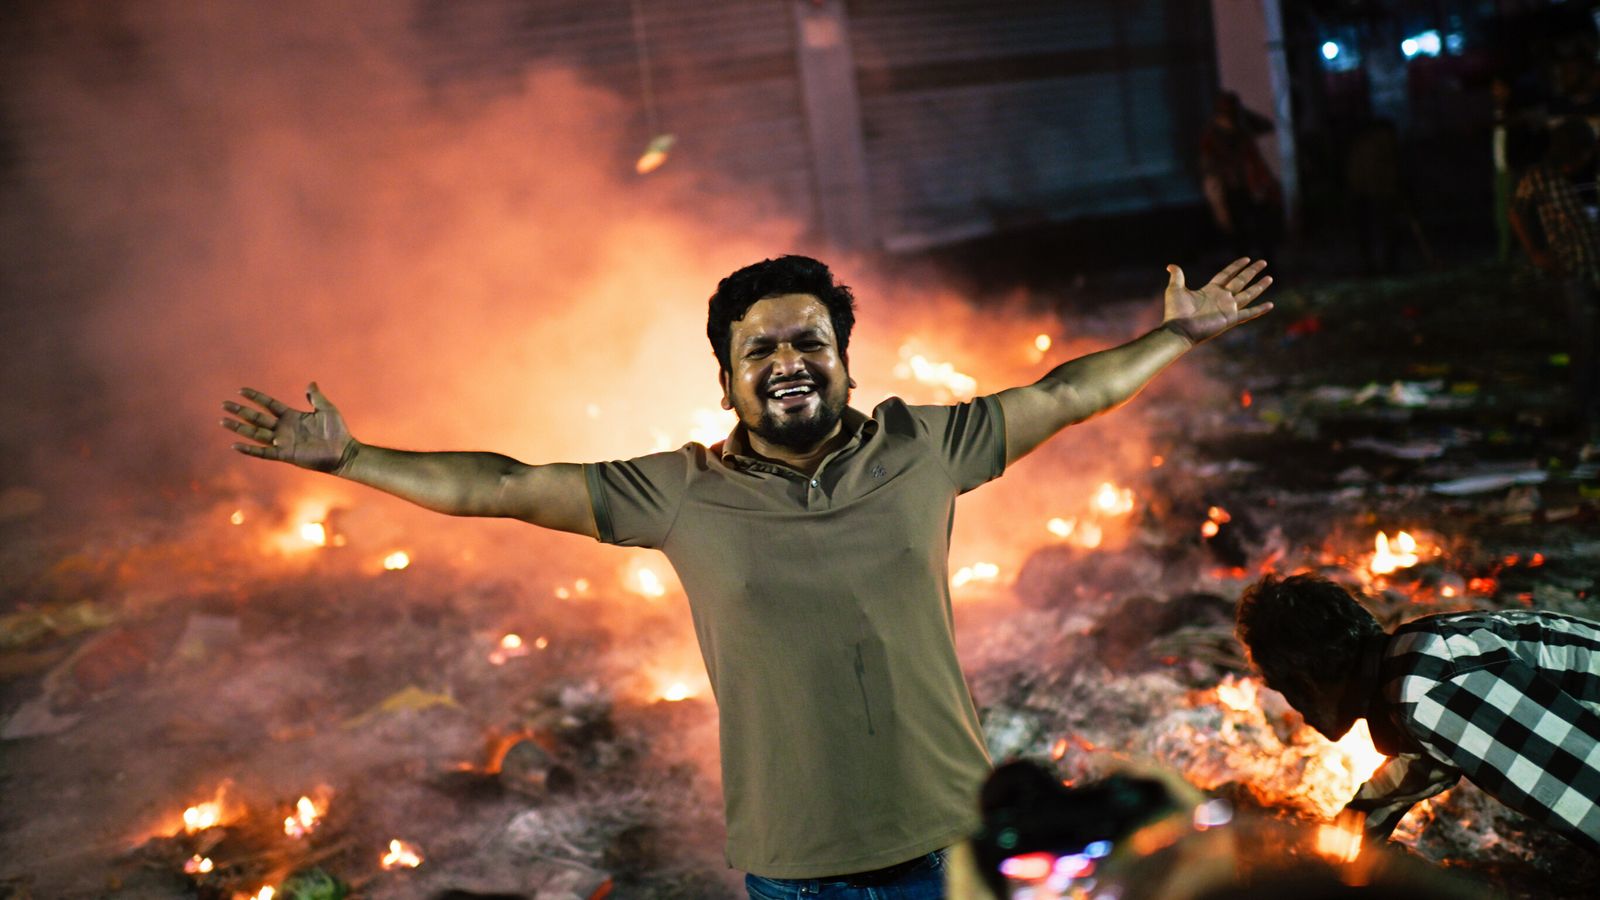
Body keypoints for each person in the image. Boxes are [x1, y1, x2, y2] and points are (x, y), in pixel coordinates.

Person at [222, 253, 1273, 898]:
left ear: (847, 358)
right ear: (725, 378)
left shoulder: (923, 447)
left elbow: (1066, 393)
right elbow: (498, 484)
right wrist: (353, 461)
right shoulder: (674, 493)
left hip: (948, 844)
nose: (786, 359)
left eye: (808, 338)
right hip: (792, 866)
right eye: (757, 346)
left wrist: (1174, 337)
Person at [1235, 573, 1600, 854]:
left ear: (1304, 683)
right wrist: (1330, 849)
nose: (1297, 712)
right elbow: (1413, 771)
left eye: (1285, 691)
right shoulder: (1415, 661)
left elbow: (1589, 790)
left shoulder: (1424, 688)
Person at [1510, 117, 1600, 439]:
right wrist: (1535, 252)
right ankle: (1585, 413)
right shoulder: (1540, 177)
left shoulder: (1593, 172)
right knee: (1585, 342)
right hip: (1573, 268)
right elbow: (1516, 210)